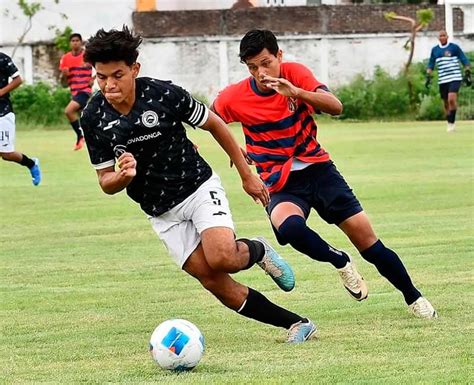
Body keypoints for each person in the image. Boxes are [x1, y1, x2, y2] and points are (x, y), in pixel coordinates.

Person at [81, 26, 316, 343]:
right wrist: (122, 176)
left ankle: (258, 249)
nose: (109, 85)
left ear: (135, 69)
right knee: (213, 280)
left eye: (117, 75)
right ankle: (297, 324)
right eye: (101, 77)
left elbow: (214, 123)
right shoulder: (93, 116)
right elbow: (105, 182)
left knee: (222, 257)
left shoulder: (163, 94)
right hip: (161, 212)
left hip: (197, 187)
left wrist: (246, 175)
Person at [212, 29, 437, 319]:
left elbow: (336, 107)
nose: (260, 72)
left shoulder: (296, 73)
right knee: (288, 228)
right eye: (252, 67)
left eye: (266, 63)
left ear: (279, 55)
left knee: (370, 245)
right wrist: (236, 152)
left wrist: (296, 92)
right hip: (281, 183)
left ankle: (414, 297)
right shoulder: (235, 96)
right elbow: (211, 121)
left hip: (320, 172)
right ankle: (339, 260)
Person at [0, 52, 41, 186]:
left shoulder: (3, 58)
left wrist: (1, 92)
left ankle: (31, 163)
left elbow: (18, 80)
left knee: (6, 154)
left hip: (3, 113)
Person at [426, 30, 471, 133]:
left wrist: (467, 71)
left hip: (455, 77)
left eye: (444, 36)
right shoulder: (435, 50)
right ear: (438, 38)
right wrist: (428, 76)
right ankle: (449, 121)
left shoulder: (454, 47)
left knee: (451, 99)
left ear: (447, 37)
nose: (442, 37)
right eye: (440, 36)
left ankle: (452, 123)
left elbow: (464, 59)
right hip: (443, 79)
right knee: (446, 103)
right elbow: (431, 64)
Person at [59, 33, 94, 150]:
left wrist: (93, 79)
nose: (75, 43)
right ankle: (85, 137)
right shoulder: (65, 58)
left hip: (85, 91)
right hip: (74, 92)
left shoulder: (88, 56)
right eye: (73, 41)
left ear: (81, 42)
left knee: (69, 111)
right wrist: (64, 75)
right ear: (70, 43)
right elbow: (63, 83)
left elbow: (100, 69)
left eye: (77, 40)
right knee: (89, 117)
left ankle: (80, 136)